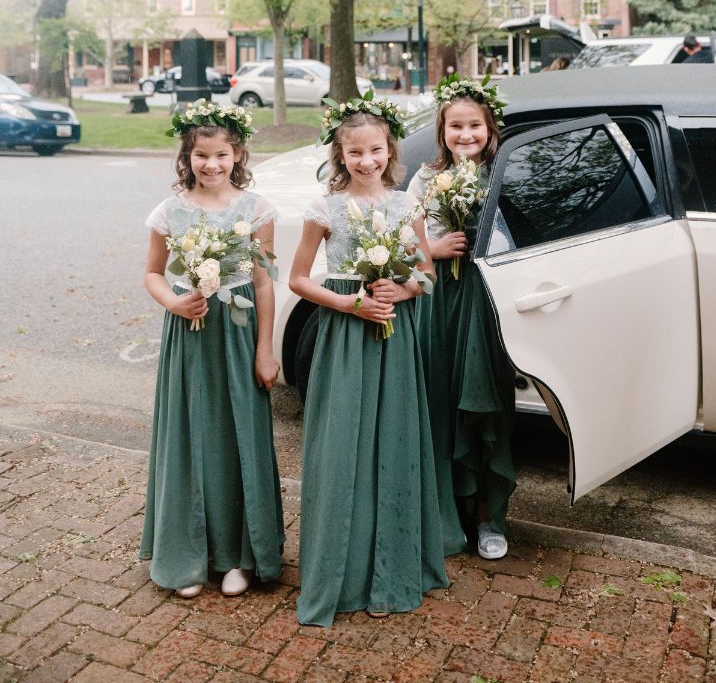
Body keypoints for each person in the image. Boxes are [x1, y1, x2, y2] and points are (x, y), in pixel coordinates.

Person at [290, 95, 448, 626]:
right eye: (354, 152)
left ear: (390, 150)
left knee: (392, 441)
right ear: (340, 153)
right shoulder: (325, 208)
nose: (366, 161)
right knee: (343, 444)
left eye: (375, 150)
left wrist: (400, 292)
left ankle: (392, 568)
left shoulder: (407, 206)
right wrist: (348, 302)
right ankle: (341, 570)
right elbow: (298, 279)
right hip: (343, 334)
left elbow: (425, 276)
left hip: (393, 338)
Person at [140, 100, 284, 599]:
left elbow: (265, 285)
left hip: (240, 331)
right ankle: (187, 556)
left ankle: (239, 557)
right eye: (202, 155)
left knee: (238, 437)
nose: (212, 165)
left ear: (237, 153)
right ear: (188, 155)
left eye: (221, 154)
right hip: (192, 331)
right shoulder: (170, 211)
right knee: (191, 437)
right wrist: (175, 304)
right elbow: (153, 274)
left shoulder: (257, 210)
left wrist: (266, 351)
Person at [407, 75, 516, 561]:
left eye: (475, 125)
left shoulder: (503, 173)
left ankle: (491, 517)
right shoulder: (425, 179)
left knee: (484, 401)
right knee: (441, 399)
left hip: (485, 302)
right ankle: (447, 511)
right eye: (456, 126)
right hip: (436, 301)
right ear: (442, 130)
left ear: (490, 128)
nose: (465, 134)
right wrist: (435, 246)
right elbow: (403, 244)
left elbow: (520, 236)